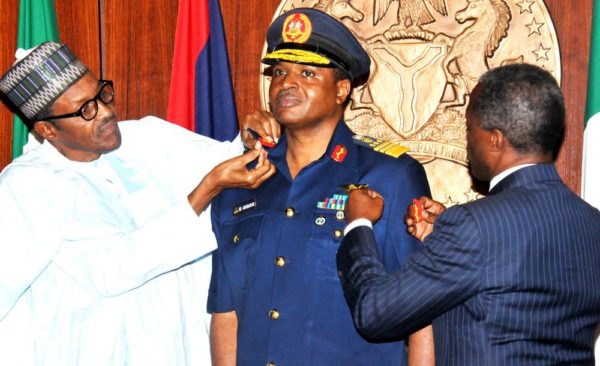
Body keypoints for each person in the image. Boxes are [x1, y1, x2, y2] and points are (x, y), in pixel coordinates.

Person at [0, 42, 275, 365]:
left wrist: (249, 138)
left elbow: (228, 165)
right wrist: (205, 190)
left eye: (102, 94)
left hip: (183, 347)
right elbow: (114, 266)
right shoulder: (27, 186)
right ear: (48, 130)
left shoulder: (144, 138)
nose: (106, 112)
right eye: (86, 110)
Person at [208, 8, 434, 366]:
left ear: (342, 89)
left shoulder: (390, 176)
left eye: (308, 73)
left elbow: (422, 314)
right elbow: (226, 313)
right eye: (279, 72)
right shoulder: (241, 183)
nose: (286, 83)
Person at [336, 63, 600, 364]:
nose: (467, 140)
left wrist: (358, 224)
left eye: (469, 128)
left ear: (494, 139)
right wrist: (446, 238)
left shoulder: (472, 228)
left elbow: (375, 312)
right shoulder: (592, 224)